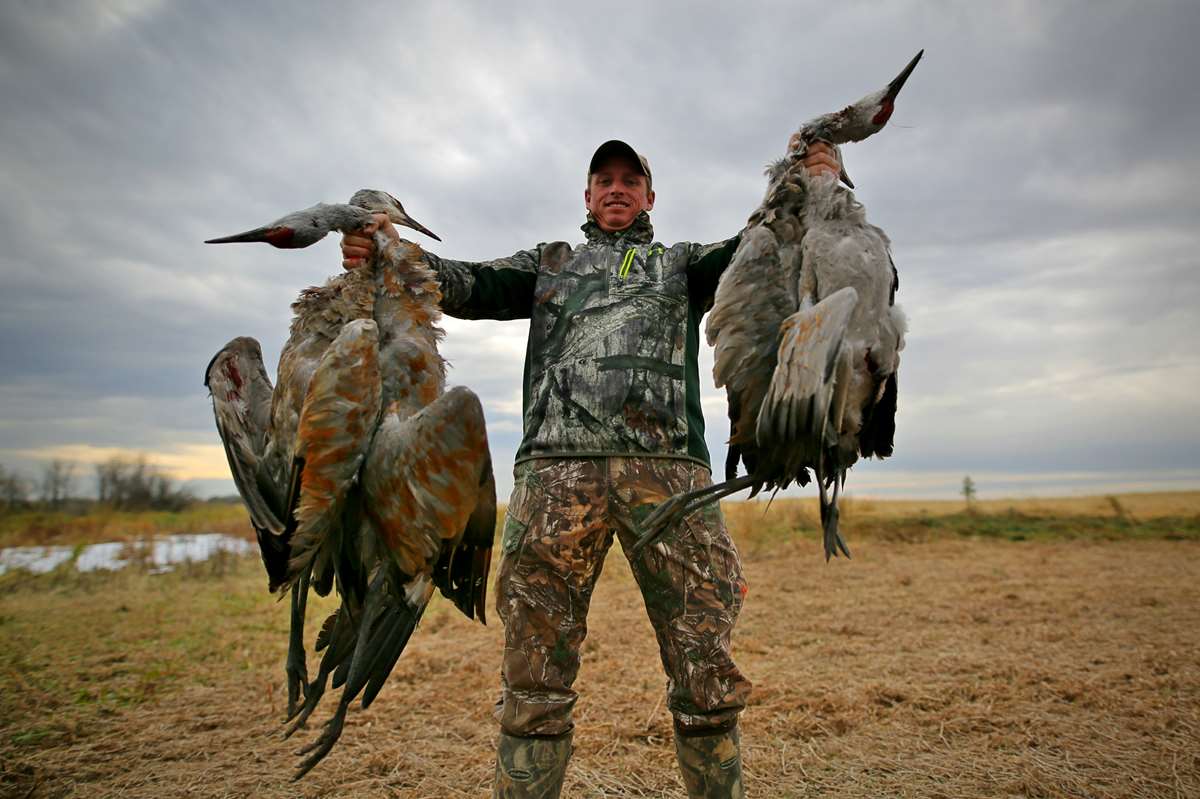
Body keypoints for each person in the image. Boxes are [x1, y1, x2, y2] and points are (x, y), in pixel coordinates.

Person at [341, 138, 839, 799]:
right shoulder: (549, 264)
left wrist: (807, 183)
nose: (616, 188)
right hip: (555, 477)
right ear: (587, 195)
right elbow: (459, 281)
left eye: (630, 180)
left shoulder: (682, 265)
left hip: (669, 477)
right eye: (604, 179)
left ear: (649, 197)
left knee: (706, 664)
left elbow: (762, 250)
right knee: (534, 670)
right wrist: (385, 249)